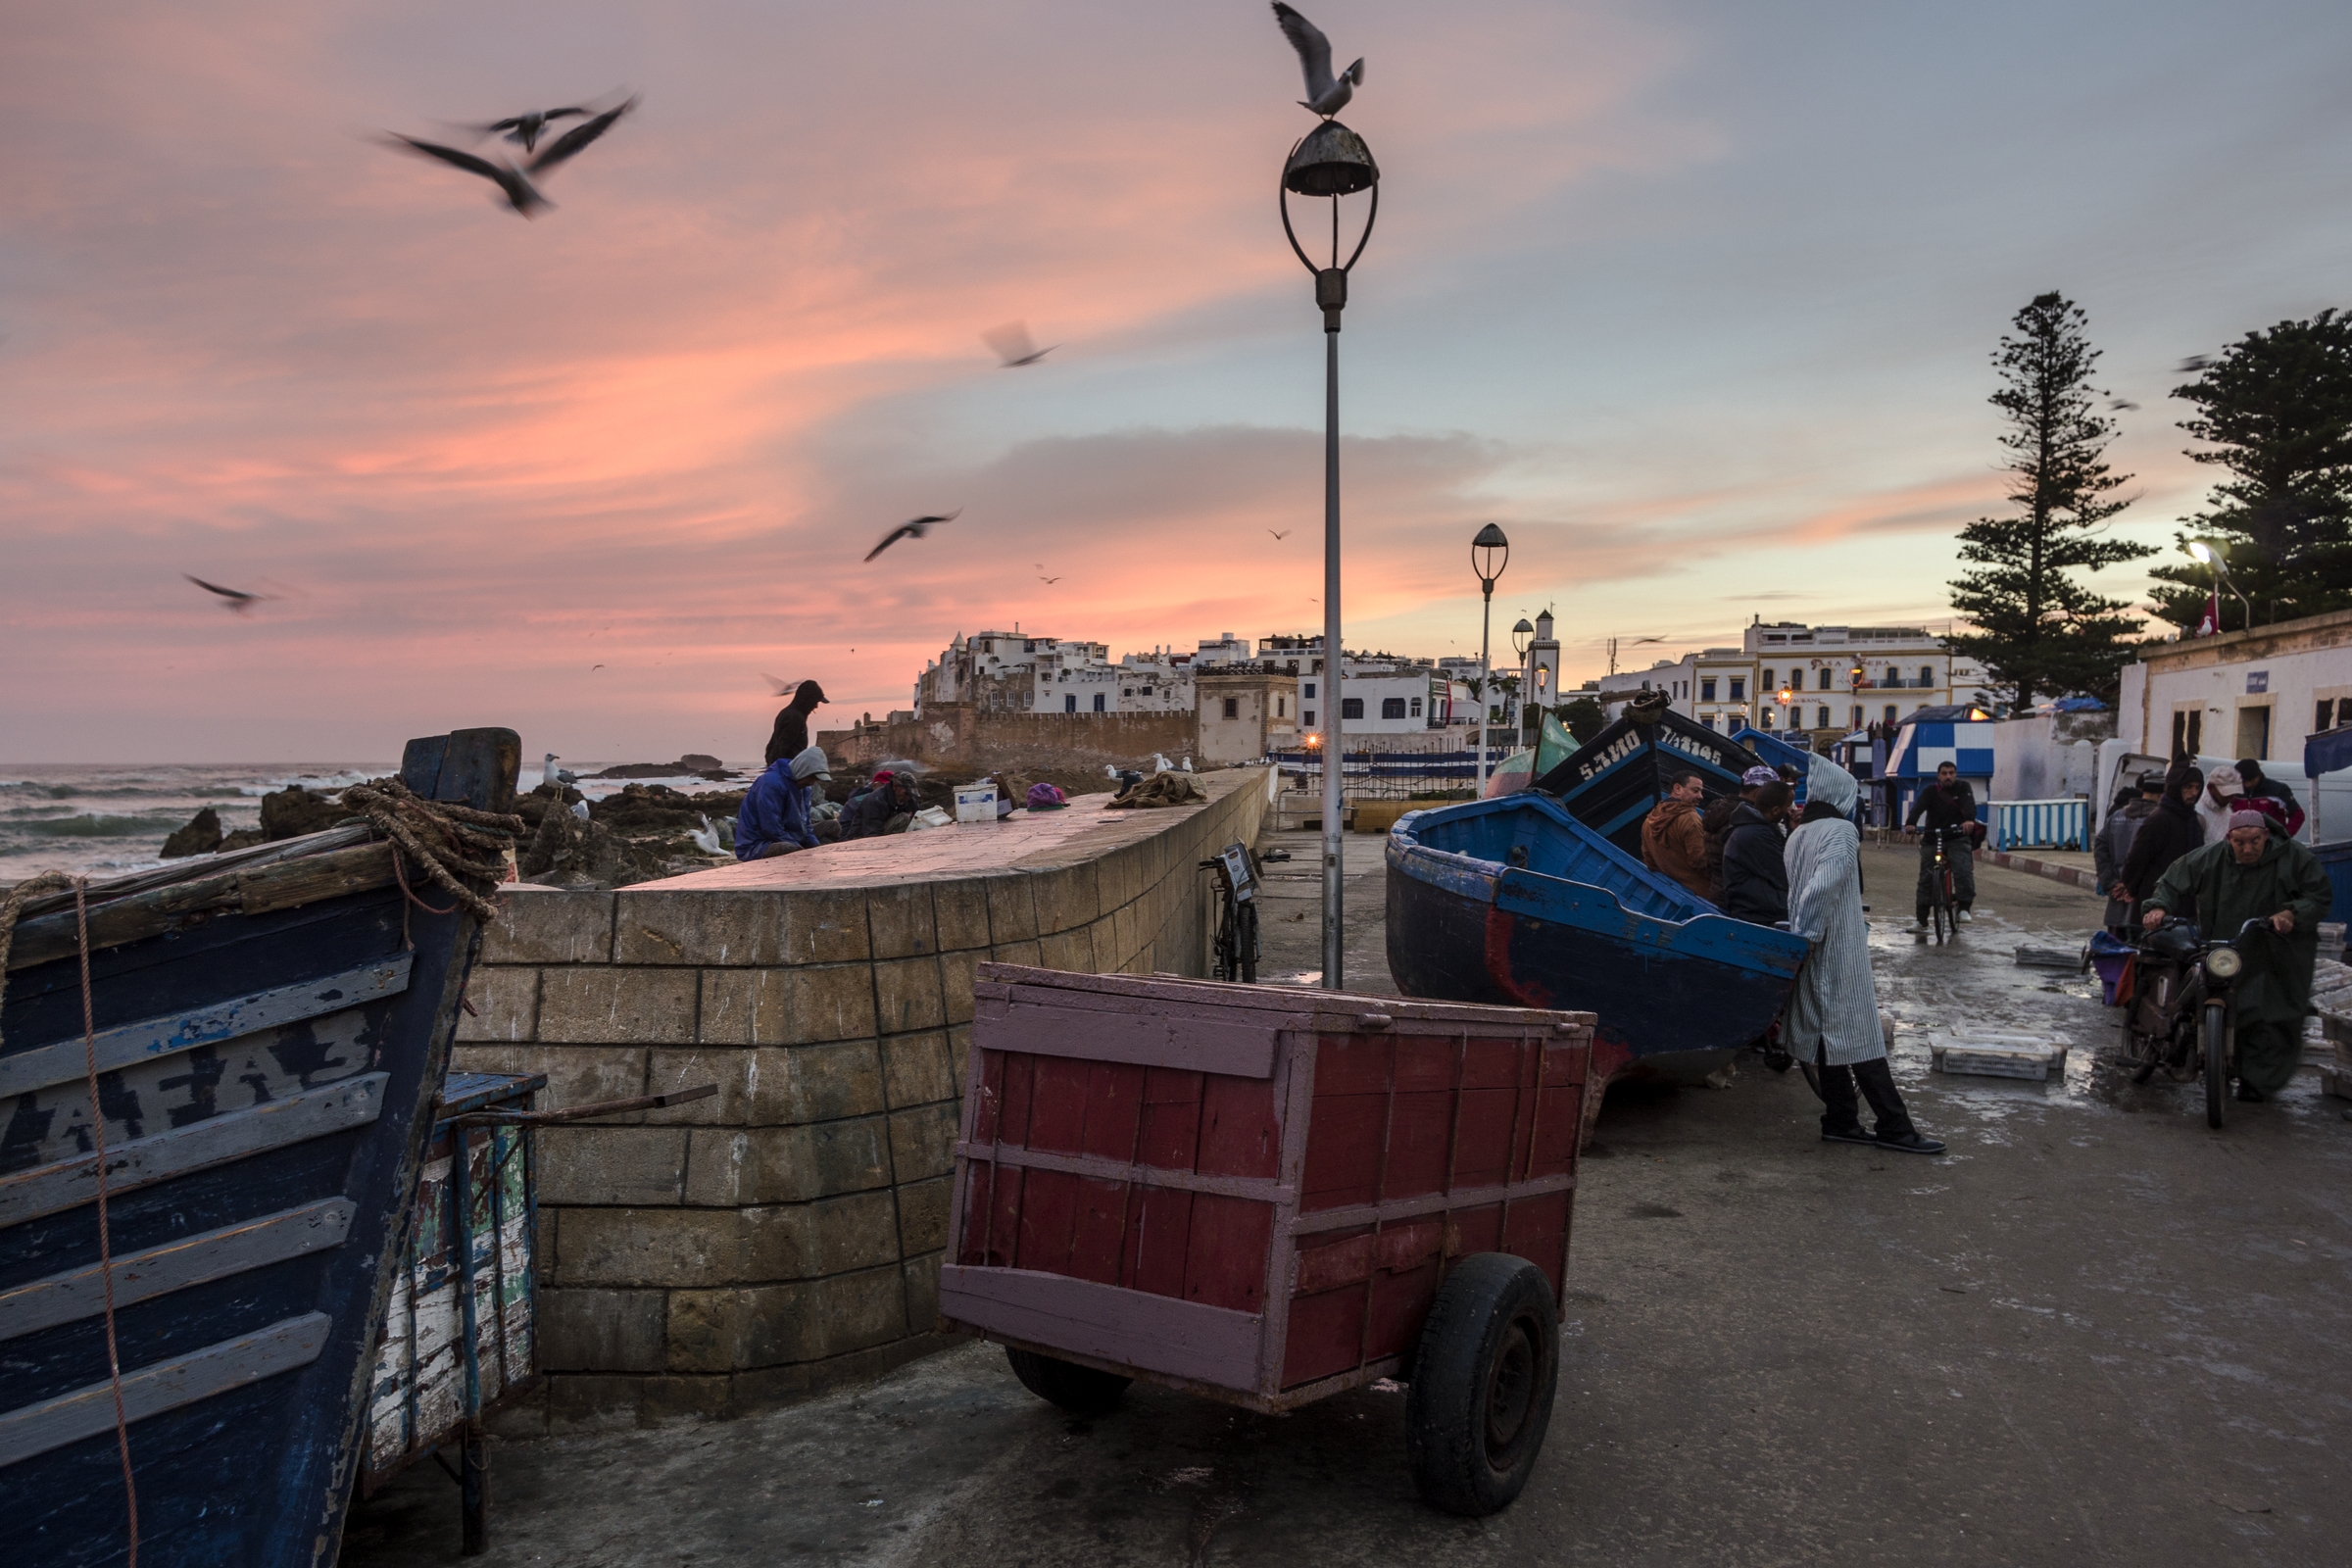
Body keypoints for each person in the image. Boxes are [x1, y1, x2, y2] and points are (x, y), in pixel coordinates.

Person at [1785, 756, 1944, 1154]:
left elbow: (1799, 891)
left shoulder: (1797, 835)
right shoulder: (1841, 831)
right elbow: (1821, 888)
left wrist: (1801, 940)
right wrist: (1809, 936)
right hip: (1834, 950)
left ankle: (1840, 1120)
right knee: (1861, 1037)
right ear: (1841, 795)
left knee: (1829, 1036)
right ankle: (1895, 1127)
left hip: (1813, 949)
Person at [2141, 809, 2333, 1102]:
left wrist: (2292, 913)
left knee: (2272, 1016)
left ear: (2266, 835)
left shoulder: (2295, 857)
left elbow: (2318, 895)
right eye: (2240, 842)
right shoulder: (2210, 858)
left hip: (2280, 951)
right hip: (2227, 945)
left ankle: (2259, 1083)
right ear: (2228, 838)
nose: (2247, 849)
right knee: (2226, 1003)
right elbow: (2171, 881)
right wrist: (2158, 906)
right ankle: (2218, 1062)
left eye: (2254, 841)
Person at [2117, 765, 2205, 920]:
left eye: (2197, 787)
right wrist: (2130, 886)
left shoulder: (2192, 820)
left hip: (2183, 899)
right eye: (2188, 787)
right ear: (2176, 787)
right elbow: (2137, 857)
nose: (2194, 793)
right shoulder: (2160, 819)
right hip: (2155, 899)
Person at [1905, 760, 1979, 928]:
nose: (1948, 776)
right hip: (1933, 836)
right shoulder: (1930, 791)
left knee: (1962, 869)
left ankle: (1964, 908)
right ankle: (1921, 920)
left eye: (1951, 773)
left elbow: (1969, 805)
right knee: (1926, 877)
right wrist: (1911, 823)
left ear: (1956, 774)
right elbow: (1918, 808)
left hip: (1957, 837)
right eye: (1944, 773)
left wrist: (1968, 820)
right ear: (1938, 775)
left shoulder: (1963, 788)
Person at [2095, 772, 2165, 934]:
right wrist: (2131, 887)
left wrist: (2112, 883)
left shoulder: (2116, 817)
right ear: (2162, 794)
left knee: (2116, 953)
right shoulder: (2160, 820)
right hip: (2145, 906)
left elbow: (2100, 850)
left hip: (2116, 904)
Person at [735, 745, 830, 860]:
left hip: (791, 836)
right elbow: (771, 829)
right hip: (757, 844)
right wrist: (801, 849)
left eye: (816, 780)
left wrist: (816, 848)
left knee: (831, 827)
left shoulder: (804, 788)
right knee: (789, 849)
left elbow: (806, 825)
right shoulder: (770, 784)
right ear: (802, 770)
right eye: (812, 777)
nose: (812, 783)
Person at [1718, 779, 1793, 924]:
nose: (1791, 810)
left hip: (1752, 907)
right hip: (1757, 912)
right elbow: (1784, 876)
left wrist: (1791, 830)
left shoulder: (1752, 827)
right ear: (1776, 810)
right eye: (1788, 805)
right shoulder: (1758, 834)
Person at [1703, 764, 1781, 899]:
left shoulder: (1720, 810)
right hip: (1739, 899)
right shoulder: (1745, 819)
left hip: (1718, 890)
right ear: (1757, 793)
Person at [1641, 768, 1713, 902]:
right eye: (1695, 791)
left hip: (1670, 896)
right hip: (1702, 897)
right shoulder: (1690, 819)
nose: (1701, 797)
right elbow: (1701, 862)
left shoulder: (1649, 821)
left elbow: (1650, 862)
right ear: (1678, 788)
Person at [763, 680, 828, 767]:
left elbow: (772, 745)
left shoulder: (787, 713)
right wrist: (780, 771)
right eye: (815, 701)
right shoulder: (794, 718)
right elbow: (781, 748)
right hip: (789, 770)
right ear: (807, 700)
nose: (816, 706)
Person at [842, 768, 918, 839]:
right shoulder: (875, 800)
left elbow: (918, 816)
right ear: (895, 786)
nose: (908, 797)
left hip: (879, 831)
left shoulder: (907, 799)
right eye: (906, 793)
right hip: (861, 837)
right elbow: (871, 832)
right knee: (903, 818)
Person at [2194, 762, 2244, 844]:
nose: (2230, 798)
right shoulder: (2198, 812)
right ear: (2211, 787)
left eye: (2233, 794)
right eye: (2226, 794)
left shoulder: (2228, 811)